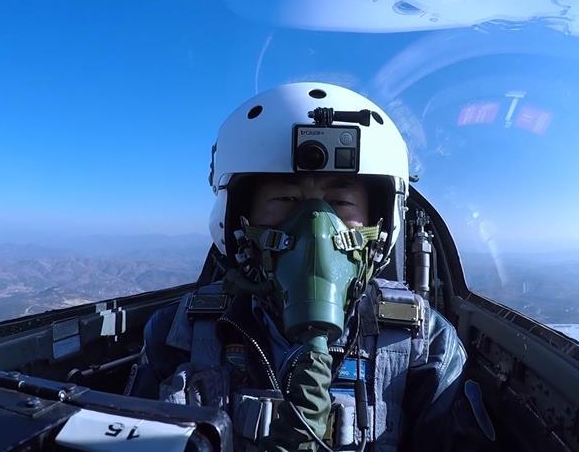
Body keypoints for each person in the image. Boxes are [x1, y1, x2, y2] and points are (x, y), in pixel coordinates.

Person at [127, 82, 473, 451]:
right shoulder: (177, 334)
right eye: (286, 198)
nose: (316, 229)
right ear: (240, 218)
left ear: (381, 223)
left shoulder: (426, 345)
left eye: (340, 202)